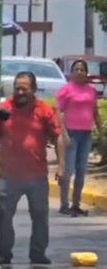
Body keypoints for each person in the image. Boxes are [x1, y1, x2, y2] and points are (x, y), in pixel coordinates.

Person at [0, 71, 64, 265]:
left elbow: (57, 136)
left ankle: (38, 253)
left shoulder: (44, 110)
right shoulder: (4, 109)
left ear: (33, 90)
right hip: (8, 176)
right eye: (17, 88)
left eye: (24, 88)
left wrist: (61, 166)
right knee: (3, 215)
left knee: (40, 216)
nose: (20, 92)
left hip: (37, 175)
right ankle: (4, 253)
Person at [55, 59, 101, 216]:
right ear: (71, 72)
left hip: (86, 134)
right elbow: (59, 112)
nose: (80, 72)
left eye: (82, 69)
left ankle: (76, 204)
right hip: (70, 133)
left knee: (81, 171)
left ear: (86, 72)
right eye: (76, 69)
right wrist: (63, 132)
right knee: (68, 171)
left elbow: (94, 111)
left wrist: (101, 132)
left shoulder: (91, 90)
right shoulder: (65, 90)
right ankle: (64, 204)